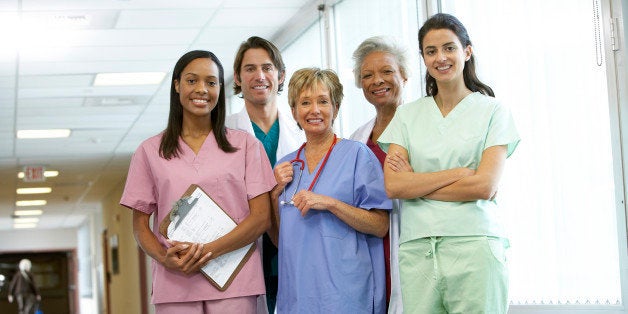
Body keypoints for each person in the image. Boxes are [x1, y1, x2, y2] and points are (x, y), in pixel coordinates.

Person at [378, 13, 520, 314]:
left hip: (475, 247)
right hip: (418, 251)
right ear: (423, 58)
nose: (440, 57)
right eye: (431, 51)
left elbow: (484, 185)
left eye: (449, 48)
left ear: (467, 52)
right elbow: (394, 185)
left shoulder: (494, 112)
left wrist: (416, 183)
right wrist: (458, 175)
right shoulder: (406, 116)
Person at [120, 50, 275, 314]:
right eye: (192, 81)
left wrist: (209, 251)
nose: (201, 89)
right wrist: (163, 258)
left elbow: (261, 218)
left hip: (233, 278)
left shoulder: (247, 146)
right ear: (177, 85)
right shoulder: (149, 151)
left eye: (211, 82)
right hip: (176, 281)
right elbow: (139, 224)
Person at [270, 67, 391, 313]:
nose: (314, 110)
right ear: (294, 111)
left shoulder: (357, 154)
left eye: (323, 101)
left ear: (335, 107)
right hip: (299, 292)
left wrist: (331, 203)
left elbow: (380, 226)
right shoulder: (286, 165)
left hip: (345, 292)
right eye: (305, 102)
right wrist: (274, 195)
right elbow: (280, 238)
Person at [226, 35, 303, 313]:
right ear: (237, 77)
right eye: (250, 69)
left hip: (295, 245)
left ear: (281, 76)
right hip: (245, 249)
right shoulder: (222, 135)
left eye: (267, 68)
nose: (259, 76)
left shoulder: (304, 130)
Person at [350, 36, 409, 314]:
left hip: (411, 243)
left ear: (404, 75)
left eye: (387, 71)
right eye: (367, 75)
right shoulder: (356, 140)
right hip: (371, 247)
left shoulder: (422, 127)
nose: (377, 81)